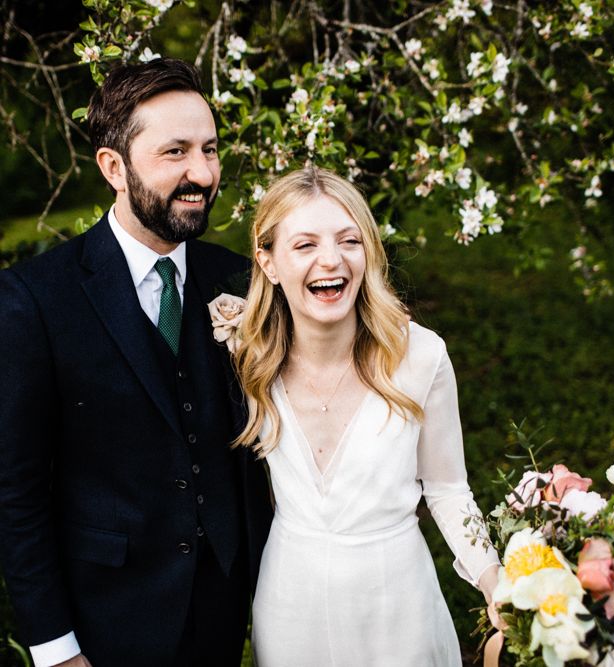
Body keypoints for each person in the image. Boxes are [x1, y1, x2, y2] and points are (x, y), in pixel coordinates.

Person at [0, 58, 272, 667]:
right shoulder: (35, 299)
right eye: (175, 152)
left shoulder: (238, 279)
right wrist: (54, 647)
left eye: (209, 149)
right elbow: (16, 491)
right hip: (106, 624)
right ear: (113, 168)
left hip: (226, 614)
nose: (201, 173)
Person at [231, 166, 500, 666]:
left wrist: (494, 579)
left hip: (398, 604)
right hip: (291, 605)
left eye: (349, 240)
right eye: (305, 244)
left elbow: (447, 490)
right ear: (267, 262)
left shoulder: (421, 355)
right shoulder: (249, 356)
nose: (330, 260)